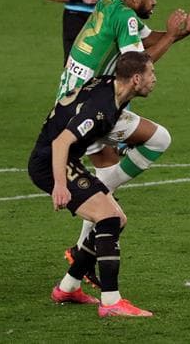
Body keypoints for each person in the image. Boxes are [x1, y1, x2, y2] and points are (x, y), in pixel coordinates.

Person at [58, 0, 190, 285]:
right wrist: (172, 37)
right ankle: (85, 254)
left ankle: (75, 270)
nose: (155, 2)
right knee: (158, 140)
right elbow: (136, 68)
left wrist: (178, 33)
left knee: (104, 176)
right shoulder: (124, 16)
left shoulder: (114, 4)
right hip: (90, 106)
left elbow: (145, 40)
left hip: (72, 98)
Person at [29, 51, 156, 317]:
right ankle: (110, 303)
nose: (154, 79)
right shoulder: (101, 109)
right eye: (150, 74)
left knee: (116, 219)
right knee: (108, 218)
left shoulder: (110, 87)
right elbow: (60, 142)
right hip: (50, 162)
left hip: (63, 158)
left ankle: (68, 287)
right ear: (135, 79)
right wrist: (60, 186)